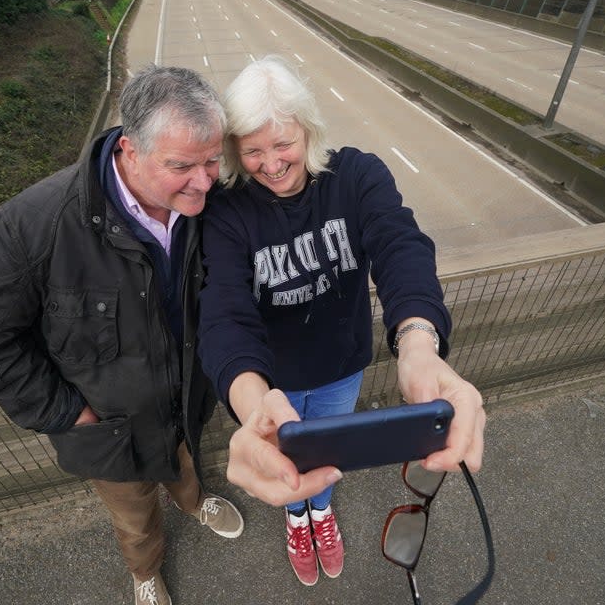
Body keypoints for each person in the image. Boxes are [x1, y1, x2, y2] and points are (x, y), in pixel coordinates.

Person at [0, 65, 244, 605]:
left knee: (188, 466)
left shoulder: (210, 207)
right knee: (134, 518)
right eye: (181, 166)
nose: (204, 182)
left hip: (186, 402)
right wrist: (67, 414)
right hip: (109, 430)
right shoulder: (31, 227)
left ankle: (196, 503)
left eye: (211, 160)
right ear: (130, 149)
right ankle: (145, 572)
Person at [198, 55, 486, 587]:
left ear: (308, 130)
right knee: (290, 458)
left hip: (340, 365)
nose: (272, 163)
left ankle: (319, 512)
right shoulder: (227, 210)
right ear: (236, 150)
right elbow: (222, 308)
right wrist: (250, 399)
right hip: (273, 382)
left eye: (283, 144)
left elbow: (400, 246)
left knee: (325, 458)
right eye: (253, 150)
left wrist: (419, 345)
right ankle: (295, 515)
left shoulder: (356, 176)